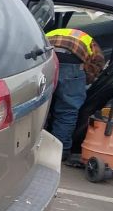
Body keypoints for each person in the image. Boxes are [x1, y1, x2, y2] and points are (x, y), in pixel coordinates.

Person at [45, 27, 105, 161]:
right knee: (67, 112)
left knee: (41, 107)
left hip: (46, 60)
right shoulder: (89, 41)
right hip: (71, 65)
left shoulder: (51, 33)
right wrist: (86, 80)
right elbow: (97, 63)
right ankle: (60, 151)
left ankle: (36, 146)